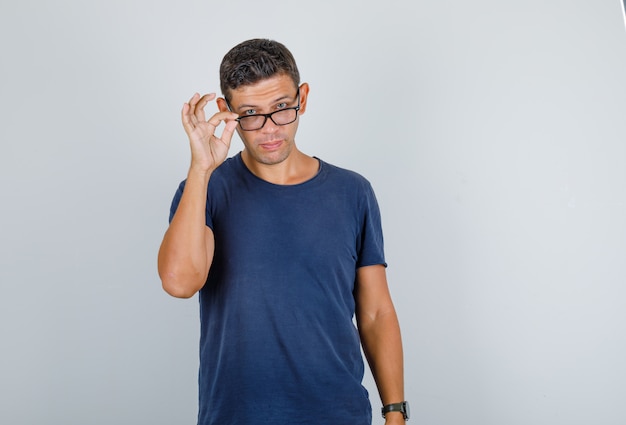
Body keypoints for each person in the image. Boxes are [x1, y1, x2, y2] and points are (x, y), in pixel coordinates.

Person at [157, 38, 408, 425]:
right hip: (236, 415)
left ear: (302, 98)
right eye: (251, 114)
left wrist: (395, 413)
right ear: (226, 113)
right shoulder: (205, 189)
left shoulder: (352, 192)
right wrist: (201, 169)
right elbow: (179, 282)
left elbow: (375, 312)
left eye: (281, 109)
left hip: (337, 413)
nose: (269, 129)